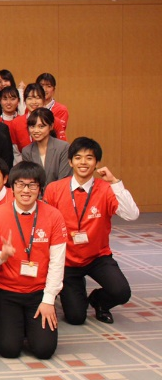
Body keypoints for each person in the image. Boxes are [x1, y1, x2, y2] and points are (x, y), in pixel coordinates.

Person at [43, 137, 140, 325]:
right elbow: (45, 225)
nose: (83, 162)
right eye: (78, 157)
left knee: (121, 292)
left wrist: (115, 182)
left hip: (97, 257)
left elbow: (132, 215)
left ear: (97, 163)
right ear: (70, 162)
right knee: (76, 317)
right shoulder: (54, 189)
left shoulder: (106, 189)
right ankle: (75, 289)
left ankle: (98, 301)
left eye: (89, 158)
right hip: (67, 261)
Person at [0, 162, 67, 360]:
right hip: (6, 291)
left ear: (40, 188)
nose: (26, 190)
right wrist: (2, 256)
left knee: (44, 350)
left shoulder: (54, 216)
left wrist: (49, 300)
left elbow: (57, 263)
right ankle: (20, 325)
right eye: (20, 184)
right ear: (12, 187)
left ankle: (29, 326)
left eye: (32, 185)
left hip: (38, 292)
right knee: (9, 349)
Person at [21, 108, 72, 187]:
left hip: (59, 192)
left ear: (51, 126)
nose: (36, 130)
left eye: (41, 126)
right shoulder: (27, 151)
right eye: (32, 126)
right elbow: (30, 180)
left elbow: (64, 179)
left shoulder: (63, 147)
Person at [36, 73, 69, 141]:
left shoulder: (61, 110)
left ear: (53, 89)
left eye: (49, 86)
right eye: (41, 85)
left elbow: (57, 131)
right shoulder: (31, 107)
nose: (44, 89)